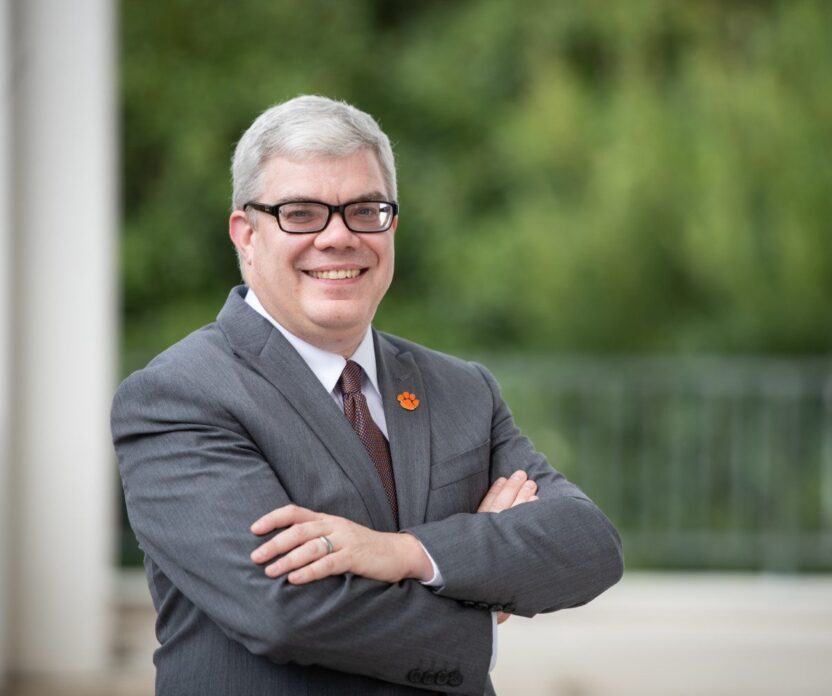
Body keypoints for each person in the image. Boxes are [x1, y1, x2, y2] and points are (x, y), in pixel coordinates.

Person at [111, 95, 624, 696]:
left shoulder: (463, 390)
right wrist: (480, 590)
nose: (338, 237)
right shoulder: (179, 397)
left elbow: (589, 545)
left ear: (391, 227)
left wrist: (407, 553)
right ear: (246, 235)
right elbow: (287, 613)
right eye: (301, 213)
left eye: (364, 210)